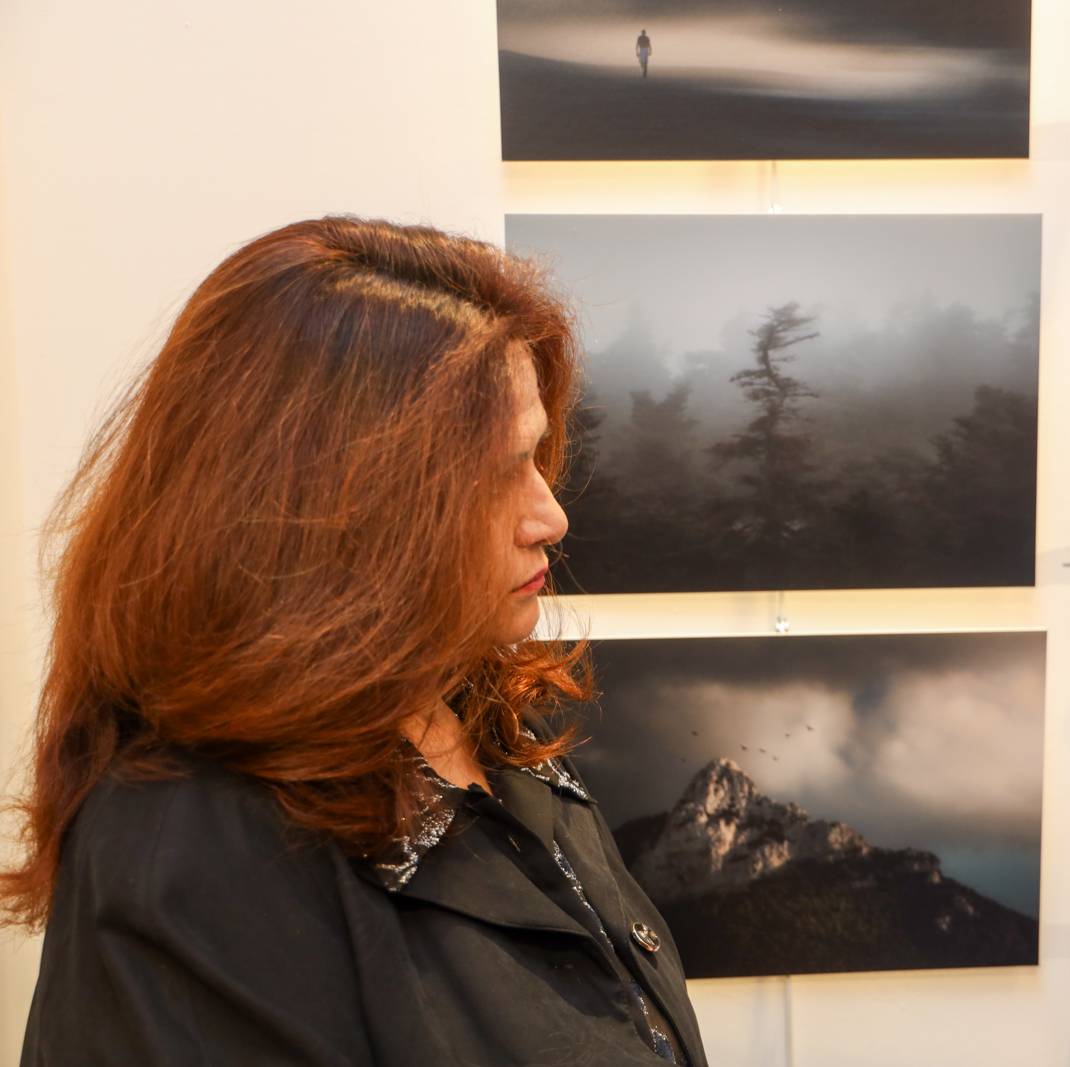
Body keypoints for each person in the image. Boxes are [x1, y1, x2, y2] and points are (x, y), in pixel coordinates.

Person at [8, 217, 708, 1065]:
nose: (550, 517)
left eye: (536, 458)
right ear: (337, 510)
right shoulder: (193, 845)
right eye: (494, 476)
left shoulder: (479, 719)